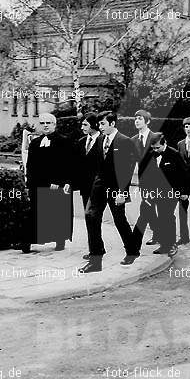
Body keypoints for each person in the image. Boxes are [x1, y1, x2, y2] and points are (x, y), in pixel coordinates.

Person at [80, 111, 139, 273]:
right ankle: (96, 260)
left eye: (103, 124)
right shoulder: (99, 140)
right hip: (99, 187)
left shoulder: (125, 141)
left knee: (119, 220)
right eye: (99, 124)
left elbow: (128, 169)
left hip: (116, 188)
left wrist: (123, 192)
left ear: (112, 124)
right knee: (91, 216)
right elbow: (98, 166)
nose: (100, 127)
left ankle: (132, 251)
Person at [21, 113, 73, 253]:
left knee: (56, 214)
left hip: (55, 184)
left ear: (54, 125)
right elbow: (30, 165)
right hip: (37, 183)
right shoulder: (35, 142)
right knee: (34, 213)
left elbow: (67, 165)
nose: (45, 125)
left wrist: (59, 181)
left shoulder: (64, 141)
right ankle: (28, 242)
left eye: (48, 123)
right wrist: (28, 184)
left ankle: (59, 240)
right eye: (42, 123)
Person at [134, 133, 187, 257]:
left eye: (158, 148)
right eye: (153, 148)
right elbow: (143, 175)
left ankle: (171, 244)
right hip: (154, 192)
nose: (155, 150)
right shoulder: (149, 155)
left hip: (171, 192)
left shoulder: (174, 154)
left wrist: (184, 192)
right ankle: (164, 244)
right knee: (157, 218)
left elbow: (184, 174)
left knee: (167, 217)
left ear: (165, 143)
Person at [131, 109, 158, 245]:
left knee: (147, 206)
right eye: (135, 119)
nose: (136, 121)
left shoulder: (156, 138)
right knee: (149, 207)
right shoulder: (133, 140)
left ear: (147, 121)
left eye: (140, 119)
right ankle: (158, 233)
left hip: (157, 179)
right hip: (143, 180)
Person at [74, 113, 103, 209]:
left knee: (94, 215)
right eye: (82, 125)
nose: (82, 128)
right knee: (88, 216)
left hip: (99, 186)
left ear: (94, 124)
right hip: (85, 186)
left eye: (85, 125)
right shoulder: (81, 141)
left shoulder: (104, 141)